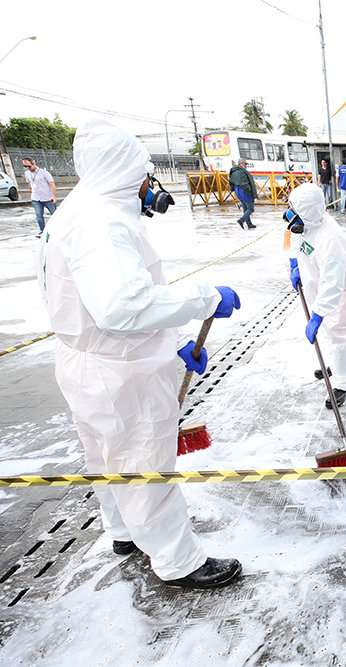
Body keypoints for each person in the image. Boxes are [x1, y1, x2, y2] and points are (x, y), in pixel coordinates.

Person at [36, 119, 243, 589]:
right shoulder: (100, 223)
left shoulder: (74, 212)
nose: (150, 183)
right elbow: (123, 305)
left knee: (107, 456)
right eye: (143, 170)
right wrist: (205, 299)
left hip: (89, 362)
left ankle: (125, 533)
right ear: (125, 167)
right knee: (145, 462)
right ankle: (178, 562)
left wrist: (173, 345)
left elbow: (100, 301)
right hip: (120, 372)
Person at [287, 184, 346, 408]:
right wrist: (294, 263)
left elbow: (333, 285)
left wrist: (318, 315)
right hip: (321, 283)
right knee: (331, 331)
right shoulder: (307, 222)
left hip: (342, 289)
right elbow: (296, 238)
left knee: (340, 334)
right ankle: (335, 364)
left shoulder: (331, 240)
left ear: (308, 211)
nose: (290, 212)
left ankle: (342, 382)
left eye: (294, 208)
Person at [23, 158, 57, 234]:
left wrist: (53, 196)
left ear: (34, 164)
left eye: (29, 166)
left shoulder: (44, 173)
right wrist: (32, 191)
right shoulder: (27, 173)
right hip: (36, 198)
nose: (28, 168)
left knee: (54, 214)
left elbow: (52, 184)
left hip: (47, 197)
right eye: (25, 166)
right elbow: (29, 183)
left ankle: (57, 230)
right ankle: (42, 231)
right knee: (39, 215)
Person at [229, 158, 257, 229]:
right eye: (245, 163)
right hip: (244, 191)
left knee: (245, 208)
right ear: (241, 164)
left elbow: (231, 181)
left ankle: (249, 224)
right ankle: (241, 220)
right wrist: (251, 191)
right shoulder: (241, 172)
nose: (246, 165)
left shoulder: (233, 171)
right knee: (250, 208)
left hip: (238, 191)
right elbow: (244, 183)